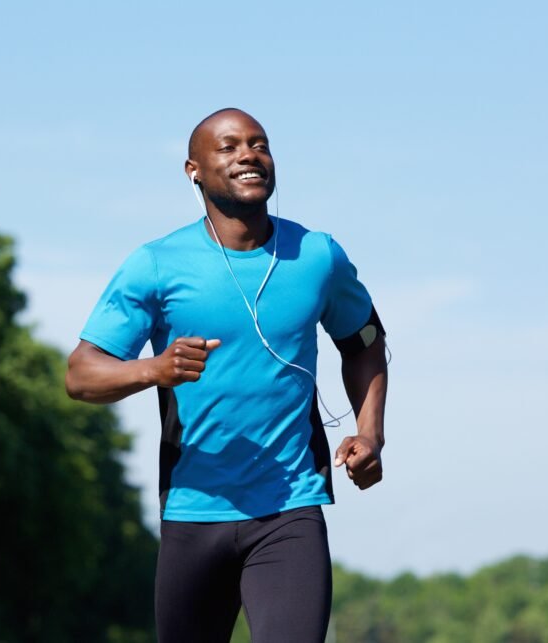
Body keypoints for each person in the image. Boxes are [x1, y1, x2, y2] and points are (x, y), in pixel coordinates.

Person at [66, 108, 388, 643]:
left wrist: (370, 432)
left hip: (289, 508)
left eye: (259, 144)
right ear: (193, 170)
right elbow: (81, 374)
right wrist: (155, 369)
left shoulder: (317, 256)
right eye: (229, 146)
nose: (248, 155)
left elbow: (366, 345)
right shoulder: (156, 264)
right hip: (192, 511)